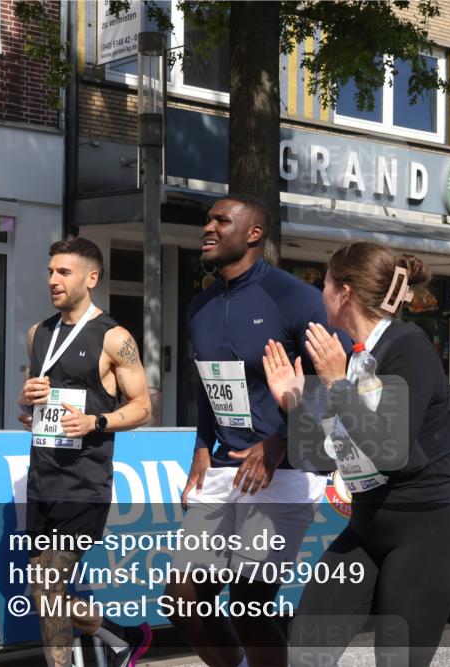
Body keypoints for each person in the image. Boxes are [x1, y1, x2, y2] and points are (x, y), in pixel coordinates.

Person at [263, 241, 450, 667]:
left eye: (323, 282)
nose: (318, 292)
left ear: (345, 293)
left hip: (425, 531)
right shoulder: (352, 358)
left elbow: (387, 450)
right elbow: (321, 458)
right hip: (366, 528)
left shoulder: (408, 347)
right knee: (305, 648)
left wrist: (338, 385)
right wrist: (294, 403)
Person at [165, 194, 332, 667]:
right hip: (224, 468)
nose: (208, 228)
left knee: (249, 603)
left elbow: (335, 380)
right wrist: (201, 446)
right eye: (207, 220)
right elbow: (205, 384)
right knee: (182, 599)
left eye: (222, 220)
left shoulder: (296, 297)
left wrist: (281, 442)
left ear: (254, 233)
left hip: (287, 469)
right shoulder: (200, 304)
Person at [17, 238, 153, 667]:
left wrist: (95, 421)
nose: (53, 280)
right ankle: (118, 633)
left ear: (91, 278)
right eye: (51, 272)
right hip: (43, 479)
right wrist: (28, 403)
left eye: (64, 272)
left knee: (47, 586)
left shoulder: (114, 337)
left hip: (85, 483)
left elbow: (143, 407)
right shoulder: (38, 333)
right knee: (41, 591)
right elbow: (31, 407)